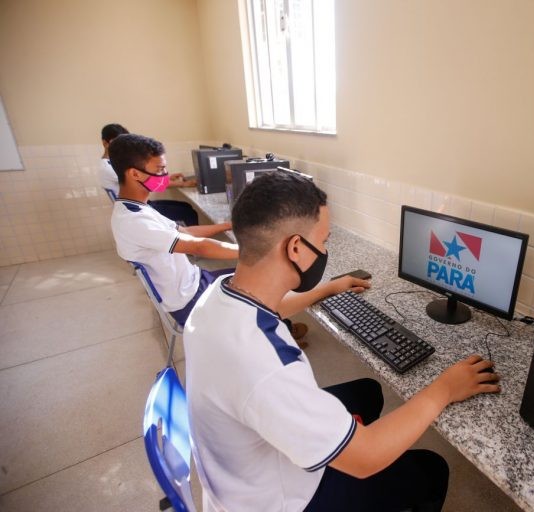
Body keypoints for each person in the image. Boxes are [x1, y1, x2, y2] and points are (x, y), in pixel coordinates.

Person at [184, 170, 500, 511]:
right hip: (281, 500)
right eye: (322, 242)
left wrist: (329, 288)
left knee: (369, 391)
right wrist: (445, 389)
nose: (323, 250)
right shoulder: (267, 365)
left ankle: (341, 443)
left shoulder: (217, 294)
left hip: (241, 469)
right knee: (431, 467)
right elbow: (365, 460)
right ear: (294, 248)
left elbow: (271, 305)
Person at [108, 133, 367, 337]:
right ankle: (275, 323)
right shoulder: (134, 222)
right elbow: (197, 246)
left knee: (258, 278)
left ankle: (278, 322)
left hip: (193, 281)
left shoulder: (137, 210)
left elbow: (185, 232)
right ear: (134, 173)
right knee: (263, 282)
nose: (165, 176)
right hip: (188, 300)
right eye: (160, 169)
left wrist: (225, 225)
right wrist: (260, 249)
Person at [100, 123, 200, 227]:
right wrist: (183, 184)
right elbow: (149, 181)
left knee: (186, 207)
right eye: (116, 142)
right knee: (188, 214)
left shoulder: (111, 164)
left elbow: (146, 177)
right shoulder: (109, 168)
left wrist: (168, 178)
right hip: (135, 208)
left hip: (141, 204)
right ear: (105, 143)